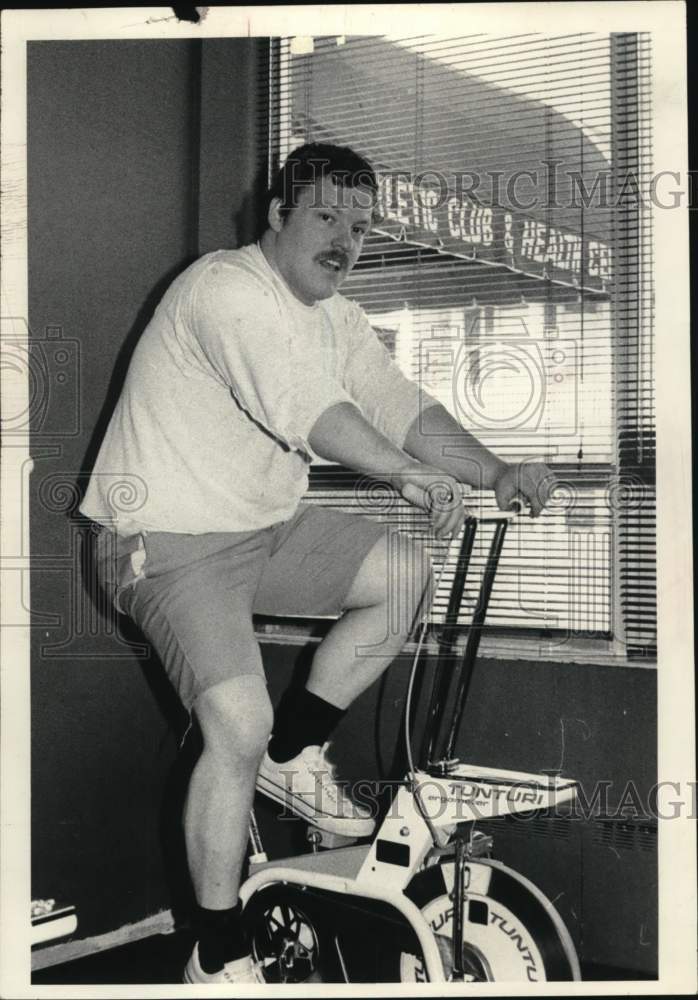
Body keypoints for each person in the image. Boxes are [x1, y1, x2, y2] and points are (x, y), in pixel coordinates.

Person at [81, 142, 554, 984]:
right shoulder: (225, 291)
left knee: (405, 575)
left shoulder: (337, 318)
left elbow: (398, 405)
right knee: (235, 724)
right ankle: (216, 951)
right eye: (326, 216)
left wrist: (496, 471)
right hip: (161, 538)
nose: (344, 239)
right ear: (278, 215)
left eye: (361, 226)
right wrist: (407, 475)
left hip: (260, 530)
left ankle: (294, 755)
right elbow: (310, 410)